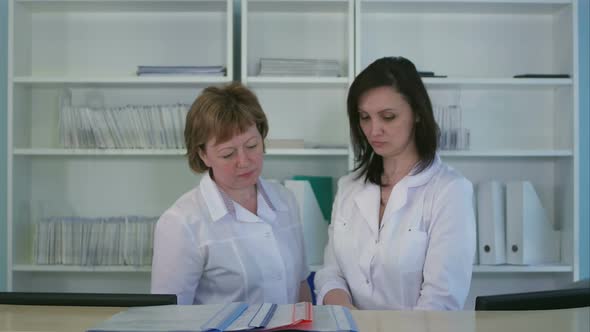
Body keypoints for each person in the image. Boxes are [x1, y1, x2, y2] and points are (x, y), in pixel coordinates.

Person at [314, 56, 476, 310]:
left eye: (388, 117)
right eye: (364, 117)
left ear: (418, 115)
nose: (373, 130)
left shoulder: (450, 191)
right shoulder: (349, 187)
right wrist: (353, 321)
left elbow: (441, 301)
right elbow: (330, 274)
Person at [151, 82, 311, 305]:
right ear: (203, 155)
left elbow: (301, 285)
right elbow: (168, 317)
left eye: (252, 145)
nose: (244, 162)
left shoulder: (286, 200)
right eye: (228, 154)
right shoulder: (181, 223)